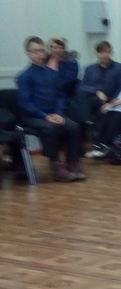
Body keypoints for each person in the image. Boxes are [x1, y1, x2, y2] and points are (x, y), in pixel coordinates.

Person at [15, 36, 85, 182]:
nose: (39, 54)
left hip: (53, 114)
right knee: (50, 128)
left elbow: (60, 96)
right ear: (28, 53)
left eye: (41, 50)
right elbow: (24, 103)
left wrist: (58, 113)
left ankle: (72, 163)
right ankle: (56, 166)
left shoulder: (52, 74)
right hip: (33, 116)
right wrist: (45, 116)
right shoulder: (24, 76)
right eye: (35, 51)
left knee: (73, 126)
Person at [77, 41, 121, 153]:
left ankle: (100, 144)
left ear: (111, 52)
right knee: (80, 96)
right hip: (93, 100)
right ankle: (89, 125)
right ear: (97, 53)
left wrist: (111, 102)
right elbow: (82, 86)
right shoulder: (89, 69)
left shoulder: (119, 68)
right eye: (102, 52)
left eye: (108, 52)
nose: (105, 55)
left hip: (111, 100)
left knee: (100, 110)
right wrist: (96, 91)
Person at [46, 36, 80, 103]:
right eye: (52, 47)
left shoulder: (71, 62)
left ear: (64, 49)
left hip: (65, 97)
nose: (55, 50)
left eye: (58, 47)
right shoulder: (45, 60)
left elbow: (66, 82)